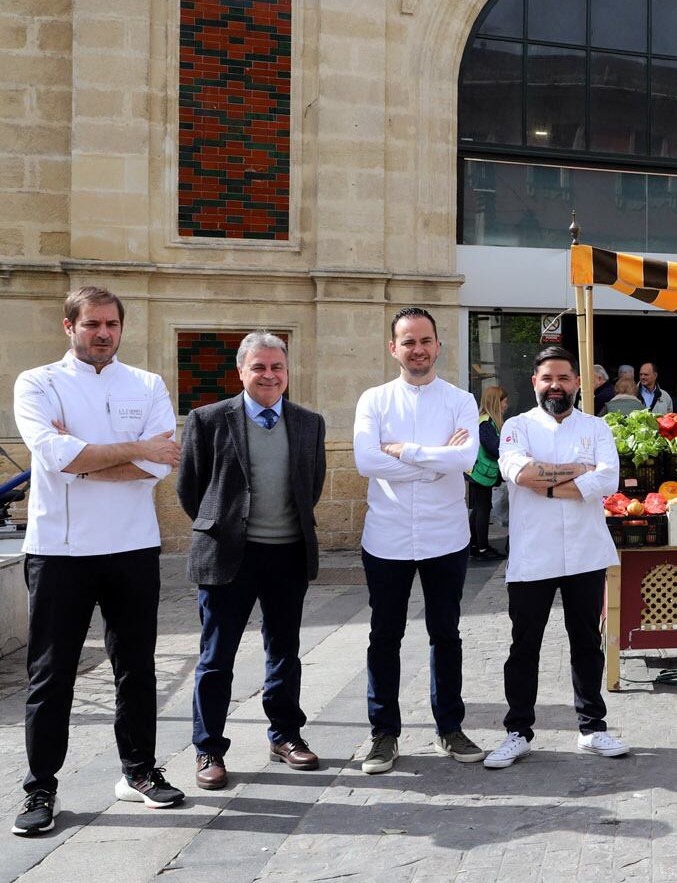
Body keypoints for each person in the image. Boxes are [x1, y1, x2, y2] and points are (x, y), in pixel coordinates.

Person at [12, 286, 186, 834]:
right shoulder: (37, 383)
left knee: (136, 667)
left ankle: (139, 772)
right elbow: (55, 456)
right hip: (59, 551)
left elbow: (162, 464)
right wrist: (135, 448)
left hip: (132, 545)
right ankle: (40, 788)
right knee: (51, 674)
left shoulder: (147, 384)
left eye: (111, 324)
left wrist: (85, 459)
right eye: (92, 324)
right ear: (69, 327)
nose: (103, 333)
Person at [179, 332, 326, 790]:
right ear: (241, 371)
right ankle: (208, 748)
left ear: (287, 372)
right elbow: (190, 488)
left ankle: (285, 736)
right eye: (258, 367)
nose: (269, 375)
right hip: (228, 555)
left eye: (277, 367)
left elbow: (312, 485)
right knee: (216, 657)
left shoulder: (309, 422)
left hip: (287, 554)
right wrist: (222, 524)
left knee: (284, 652)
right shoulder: (208, 419)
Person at [352, 307, 485, 775]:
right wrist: (435, 462)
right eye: (408, 342)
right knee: (384, 636)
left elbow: (465, 460)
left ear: (438, 346)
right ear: (394, 348)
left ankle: (450, 727)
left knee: (445, 634)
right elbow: (366, 461)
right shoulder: (373, 400)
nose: (418, 349)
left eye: (425, 340)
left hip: (445, 536)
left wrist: (406, 453)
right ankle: (383, 734)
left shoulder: (460, 400)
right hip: (386, 537)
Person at [484, 347, 630, 768]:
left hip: (585, 552)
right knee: (524, 645)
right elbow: (519, 473)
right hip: (533, 553)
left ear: (578, 383)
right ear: (535, 382)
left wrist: (546, 481)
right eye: (547, 378)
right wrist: (579, 470)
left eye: (564, 378)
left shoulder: (596, 427)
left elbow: (608, 479)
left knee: (586, 643)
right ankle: (517, 731)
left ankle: (592, 728)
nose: (555, 386)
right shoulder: (517, 427)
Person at [467, 385, 507, 560]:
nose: (506, 405)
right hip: (481, 473)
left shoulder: (484, 420)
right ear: (496, 402)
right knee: (483, 508)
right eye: (504, 401)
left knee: (479, 508)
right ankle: (482, 548)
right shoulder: (486, 422)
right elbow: (493, 447)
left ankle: (474, 545)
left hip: (478, 472)